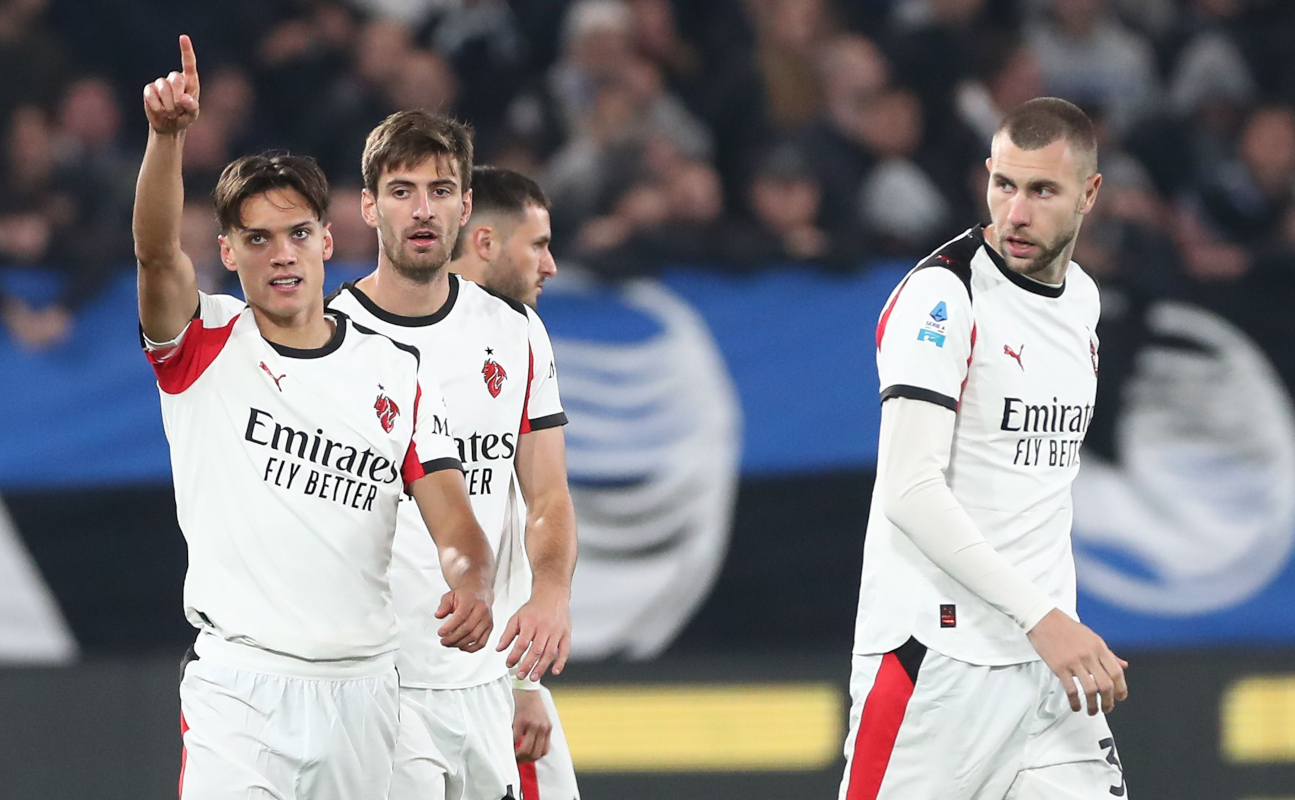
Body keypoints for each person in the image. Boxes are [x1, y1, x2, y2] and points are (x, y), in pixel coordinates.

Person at [134, 38, 496, 800]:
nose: (281, 255)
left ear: (328, 241)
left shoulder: (392, 372)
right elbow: (156, 253)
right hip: (242, 686)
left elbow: (455, 523)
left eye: (297, 234)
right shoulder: (204, 345)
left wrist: (473, 584)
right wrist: (168, 139)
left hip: (364, 693)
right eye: (257, 240)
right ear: (227, 252)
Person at [840, 97, 1129, 800]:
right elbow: (908, 490)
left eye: (1041, 190)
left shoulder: (1082, 302)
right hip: (935, 666)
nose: (1017, 213)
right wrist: (1042, 618)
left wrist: (1047, 623)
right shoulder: (941, 298)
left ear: (1088, 194)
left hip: (1044, 676)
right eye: (1004, 185)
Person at [326, 116, 577, 800]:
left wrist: (550, 591)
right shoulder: (333, 340)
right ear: (368, 206)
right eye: (401, 190)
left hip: (484, 682)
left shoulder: (516, 331)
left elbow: (547, 495)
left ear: (464, 208)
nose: (422, 208)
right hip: (382, 685)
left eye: (440, 190)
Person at [447, 166, 580, 800]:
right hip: (389, 672)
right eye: (538, 245)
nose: (550, 265)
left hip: (491, 669)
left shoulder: (523, 335)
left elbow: (544, 496)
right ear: (485, 242)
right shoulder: (358, 333)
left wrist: (523, 679)